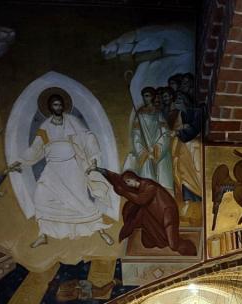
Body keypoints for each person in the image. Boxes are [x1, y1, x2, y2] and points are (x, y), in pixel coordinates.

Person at [18, 89, 116, 248]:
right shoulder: (45, 126)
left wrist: (93, 159)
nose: (58, 107)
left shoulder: (72, 121)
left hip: (72, 167)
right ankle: (43, 234)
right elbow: (36, 147)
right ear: (49, 107)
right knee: (41, 196)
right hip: (53, 169)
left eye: (60, 104)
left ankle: (100, 230)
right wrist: (21, 161)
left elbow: (88, 137)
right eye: (54, 104)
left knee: (80, 200)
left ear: (63, 106)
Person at [101, 169, 197, 256]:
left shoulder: (150, 186)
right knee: (147, 243)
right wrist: (103, 172)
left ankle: (190, 250)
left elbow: (141, 200)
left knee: (174, 245)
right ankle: (161, 239)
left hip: (167, 214)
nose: (127, 185)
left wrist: (124, 192)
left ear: (134, 179)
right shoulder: (138, 187)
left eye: (128, 182)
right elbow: (117, 180)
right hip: (154, 214)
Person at [123, 86, 173, 191]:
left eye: (148, 96)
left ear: (152, 97)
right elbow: (136, 135)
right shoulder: (140, 114)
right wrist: (143, 151)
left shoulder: (158, 113)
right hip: (145, 152)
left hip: (158, 151)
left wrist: (156, 148)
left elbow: (165, 133)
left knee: (162, 183)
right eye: (144, 96)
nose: (145, 98)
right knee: (147, 183)